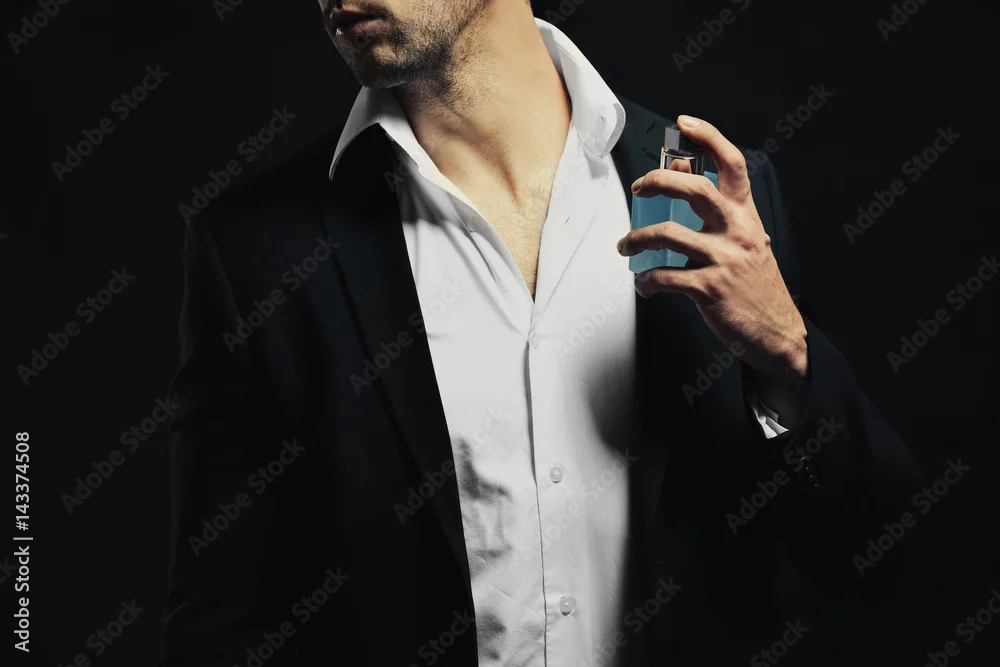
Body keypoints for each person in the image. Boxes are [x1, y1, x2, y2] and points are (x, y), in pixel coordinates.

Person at [160, 1, 923, 665]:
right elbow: (218, 629)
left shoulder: (705, 198)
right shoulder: (260, 252)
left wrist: (787, 352)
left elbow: (877, 558)